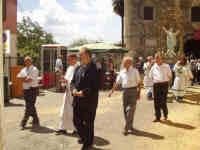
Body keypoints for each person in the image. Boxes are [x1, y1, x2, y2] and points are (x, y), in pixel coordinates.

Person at [70, 47, 100, 150]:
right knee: (76, 121)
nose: (79, 56)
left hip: (89, 101)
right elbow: (72, 82)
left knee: (88, 123)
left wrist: (84, 92)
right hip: (77, 100)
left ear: (87, 55)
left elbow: (96, 85)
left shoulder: (95, 68)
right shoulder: (78, 68)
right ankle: (85, 137)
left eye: (80, 55)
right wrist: (73, 90)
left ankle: (87, 144)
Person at [108, 56, 141, 136]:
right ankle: (130, 125)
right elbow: (117, 83)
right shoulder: (122, 72)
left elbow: (139, 83)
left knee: (130, 110)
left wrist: (139, 93)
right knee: (125, 110)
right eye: (123, 62)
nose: (123, 63)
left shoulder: (135, 71)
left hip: (133, 91)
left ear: (129, 63)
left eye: (125, 62)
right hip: (125, 91)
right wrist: (111, 91)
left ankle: (126, 128)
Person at [56, 54, 78, 134]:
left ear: (74, 59)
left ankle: (75, 128)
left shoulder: (77, 68)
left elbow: (74, 81)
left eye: (69, 59)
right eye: (68, 59)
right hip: (67, 92)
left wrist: (66, 81)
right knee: (64, 111)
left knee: (72, 111)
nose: (68, 61)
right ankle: (63, 127)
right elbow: (67, 79)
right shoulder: (70, 68)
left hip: (73, 93)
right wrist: (63, 80)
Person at [17, 56, 40, 130]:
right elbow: (18, 77)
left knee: (28, 107)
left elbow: (29, 80)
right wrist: (24, 78)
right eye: (25, 61)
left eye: (28, 61)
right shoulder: (23, 69)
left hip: (32, 89)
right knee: (30, 106)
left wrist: (23, 78)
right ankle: (36, 120)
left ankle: (23, 123)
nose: (26, 62)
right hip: (26, 90)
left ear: (31, 61)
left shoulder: (34, 69)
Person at [149, 53, 172, 122]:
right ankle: (157, 117)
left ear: (161, 59)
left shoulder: (166, 66)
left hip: (164, 85)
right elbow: (150, 76)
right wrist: (154, 81)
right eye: (156, 58)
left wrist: (168, 84)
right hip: (156, 85)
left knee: (163, 101)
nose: (156, 60)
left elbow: (170, 76)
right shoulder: (153, 66)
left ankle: (165, 115)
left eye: (158, 58)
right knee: (156, 101)